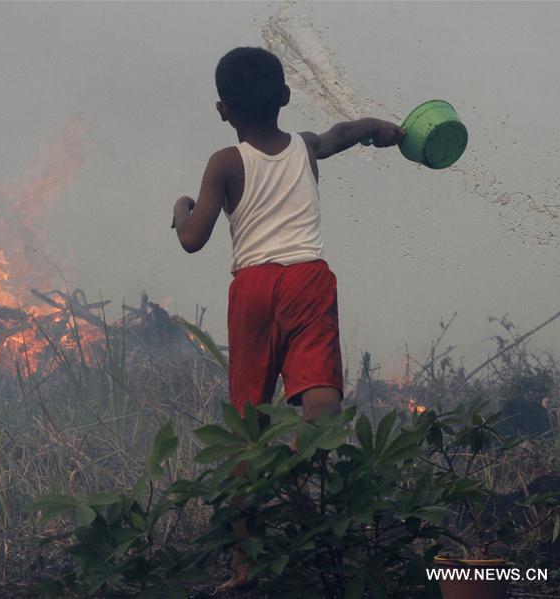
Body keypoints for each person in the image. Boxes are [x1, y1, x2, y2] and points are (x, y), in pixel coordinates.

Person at [170, 46, 406, 591]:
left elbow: (191, 239)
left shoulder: (225, 163)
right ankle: (304, 476)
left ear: (222, 110)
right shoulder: (305, 147)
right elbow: (342, 133)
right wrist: (380, 127)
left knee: (245, 427)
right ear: (285, 97)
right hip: (307, 279)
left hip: (252, 289)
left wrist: (182, 204)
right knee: (319, 396)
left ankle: (244, 566)